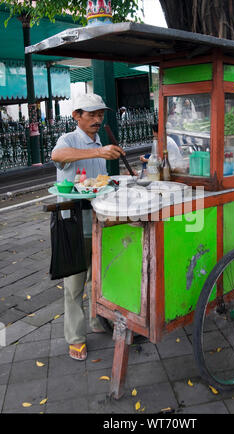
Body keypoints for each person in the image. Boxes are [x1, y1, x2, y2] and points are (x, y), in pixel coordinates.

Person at [51, 93, 125, 361]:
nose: (97, 119)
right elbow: (57, 155)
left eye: (100, 114)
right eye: (91, 114)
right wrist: (98, 151)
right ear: (76, 116)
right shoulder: (68, 140)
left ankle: (97, 320)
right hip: (73, 221)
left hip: (98, 217)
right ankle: (75, 337)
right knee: (74, 284)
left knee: (98, 276)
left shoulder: (99, 141)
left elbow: (98, 181)